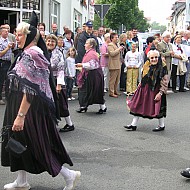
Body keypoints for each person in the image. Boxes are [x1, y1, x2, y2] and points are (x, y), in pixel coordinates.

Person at [1, 12, 80, 190]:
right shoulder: (26, 52)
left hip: (29, 110)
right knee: (19, 143)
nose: (17, 37)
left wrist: (21, 115)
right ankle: (21, 181)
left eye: (20, 34)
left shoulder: (32, 54)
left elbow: (31, 90)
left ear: (29, 36)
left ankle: (69, 176)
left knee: (37, 145)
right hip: (20, 107)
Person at [124, 50, 169, 132]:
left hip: (156, 89)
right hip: (144, 89)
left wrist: (160, 93)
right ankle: (133, 124)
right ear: (148, 58)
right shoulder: (146, 65)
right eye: (152, 58)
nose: (154, 59)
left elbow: (165, 81)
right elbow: (144, 76)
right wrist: (140, 85)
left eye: (156, 57)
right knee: (138, 105)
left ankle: (161, 125)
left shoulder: (163, 66)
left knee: (158, 107)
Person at [46, 34, 75, 133]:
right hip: (46, 81)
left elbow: (61, 70)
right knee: (48, 104)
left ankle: (70, 124)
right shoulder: (43, 52)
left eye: (52, 41)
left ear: (56, 43)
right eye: (48, 41)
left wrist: (59, 84)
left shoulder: (58, 53)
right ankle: (51, 125)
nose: (50, 43)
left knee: (61, 103)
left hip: (56, 81)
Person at [76, 38, 106, 114]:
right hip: (90, 75)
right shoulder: (89, 53)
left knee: (95, 91)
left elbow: (93, 65)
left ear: (91, 45)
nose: (84, 45)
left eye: (86, 43)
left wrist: (82, 65)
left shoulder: (92, 54)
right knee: (85, 91)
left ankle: (103, 107)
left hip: (94, 76)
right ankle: (83, 106)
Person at [107, 32, 124, 98]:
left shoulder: (116, 44)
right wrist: (119, 49)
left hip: (118, 64)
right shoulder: (110, 45)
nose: (117, 39)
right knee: (112, 79)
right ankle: (111, 92)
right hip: (113, 64)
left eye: (117, 37)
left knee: (117, 79)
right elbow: (112, 54)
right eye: (115, 37)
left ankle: (115, 90)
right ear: (112, 38)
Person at [0, 26, 13, 105]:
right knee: (1, 80)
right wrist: (8, 48)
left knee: (8, 80)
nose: (7, 33)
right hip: (2, 62)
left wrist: (12, 46)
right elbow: (0, 54)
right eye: (5, 32)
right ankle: (0, 98)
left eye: (8, 31)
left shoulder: (8, 40)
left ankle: (8, 97)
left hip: (8, 62)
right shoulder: (0, 42)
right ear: (1, 33)